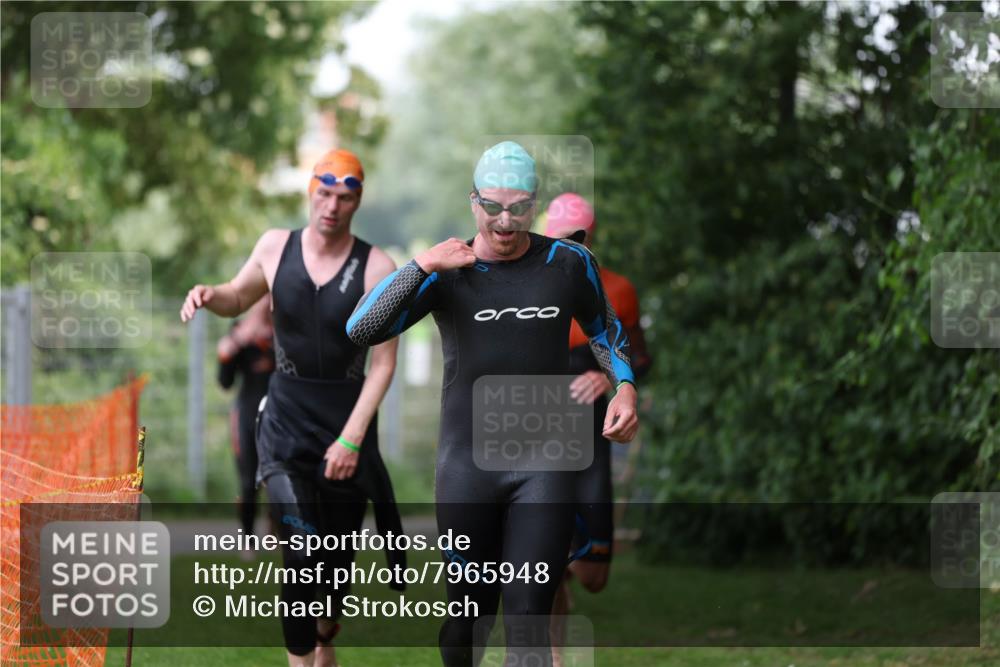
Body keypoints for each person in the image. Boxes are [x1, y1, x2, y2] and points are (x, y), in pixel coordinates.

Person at [347, 141, 639, 667]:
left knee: (529, 614)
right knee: (469, 616)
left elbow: (607, 332)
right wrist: (421, 265)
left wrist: (624, 385)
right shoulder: (446, 269)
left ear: (534, 205)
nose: (505, 221)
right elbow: (361, 328)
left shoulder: (567, 262)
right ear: (473, 202)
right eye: (493, 207)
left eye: (519, 207)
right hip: (467, 466)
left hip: (546, 462)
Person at [181, 148, 405, 667]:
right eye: (324, 194)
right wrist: (208, 293)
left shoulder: (377, 266)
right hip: (284, 421)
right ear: (310, 191)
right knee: (300, 554)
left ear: (358, 201)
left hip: (346, 422)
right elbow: (238, 297)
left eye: (344, 198)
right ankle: (300, 656)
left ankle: (324, 634)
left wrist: (351, 438)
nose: (332, 206)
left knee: (330, 576)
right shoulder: (274, 247)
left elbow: (385, 364)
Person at [543, 193, 653, 666]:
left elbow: (641, 356)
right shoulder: (529, 285)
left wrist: (605, 374)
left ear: (592, 238)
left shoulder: (617, 290)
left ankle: (564, 572)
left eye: (578, 238)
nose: (569, 246)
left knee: (591, 574)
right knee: (541, 563)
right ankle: (553, 654)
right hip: (538, 439)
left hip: (591, 441)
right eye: (560, 238)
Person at [216, 295, 275, 549]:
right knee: (248, 481)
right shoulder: (239, 334)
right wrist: (231, 348)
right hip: (247, 415)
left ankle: (278, 531)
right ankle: (248, 540)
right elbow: (225, 382)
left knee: (282, 479)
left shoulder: (286, 330)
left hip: (281, 415)